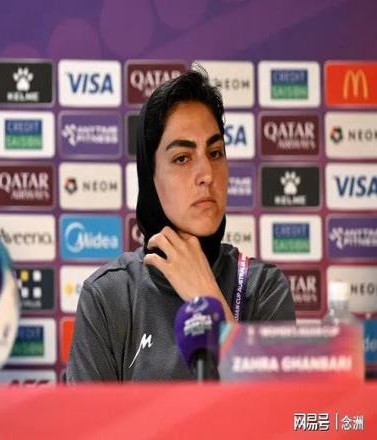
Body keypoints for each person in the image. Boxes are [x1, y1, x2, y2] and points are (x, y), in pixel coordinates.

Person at [66, 68, 295, 382]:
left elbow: (278, 410)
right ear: (150, 177)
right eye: (182, 158)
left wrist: (209, 301)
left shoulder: (263, 288)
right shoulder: (108, 296)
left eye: (215, 152)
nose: (207, 174)